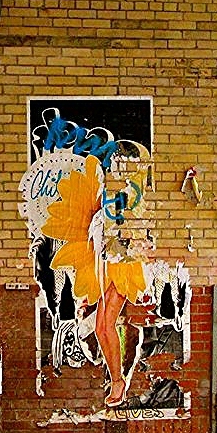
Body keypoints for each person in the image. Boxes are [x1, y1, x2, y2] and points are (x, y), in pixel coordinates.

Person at [41, 152, 151, 407]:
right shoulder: (103, 198)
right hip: (101, 265)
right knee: (102, 327)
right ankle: (118, 379)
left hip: (123, 266)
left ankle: (118, 381)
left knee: (105, 325)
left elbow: (137, 228)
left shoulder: (133, 194)